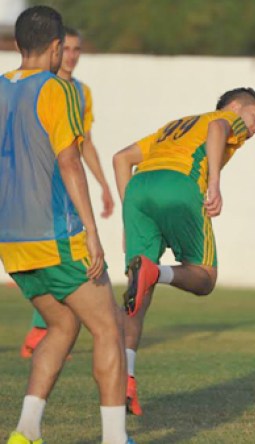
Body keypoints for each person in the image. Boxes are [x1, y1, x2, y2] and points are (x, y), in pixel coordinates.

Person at [0, 6, 132, 444]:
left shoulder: (0, 88)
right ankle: (115, 439)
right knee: (109, 327)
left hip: (12, 243)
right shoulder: (57, 89)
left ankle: (26, 430)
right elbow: (69, 160)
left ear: (19, 44)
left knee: (61, 326)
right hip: (56, 237)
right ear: (57, 47)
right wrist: (92, 234)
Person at [112, 87, 255, 416]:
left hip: (140, 190)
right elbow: (217, 129)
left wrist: (130, 218)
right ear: (237, 107)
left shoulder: (176, 125)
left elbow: (121, 158)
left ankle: (125, 381)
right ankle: (157, 272)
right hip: (180, 185)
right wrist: (214, 183)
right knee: (205, 278)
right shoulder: (224, 118)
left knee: (137, 295)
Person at [20, 26, 116, 359]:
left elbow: (82, 144)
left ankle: (45, 329)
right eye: (68, 48)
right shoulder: (41, 88)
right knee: (72, 266)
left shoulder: (80, 92)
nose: (72, 55)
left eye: (78, 49)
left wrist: (103, 183)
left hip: (61, 192)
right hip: (42, 197)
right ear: (55, 48)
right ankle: (43, 328)